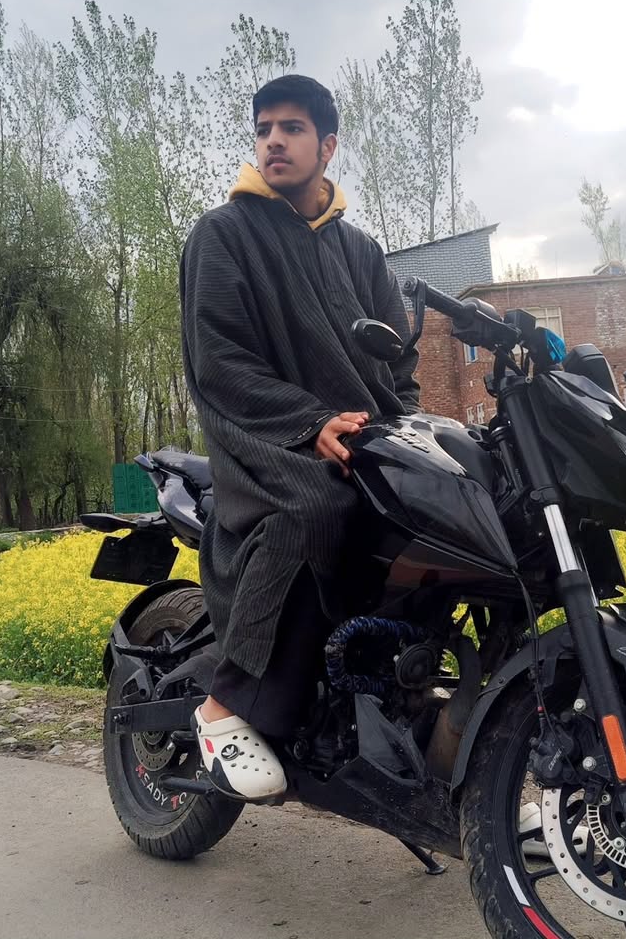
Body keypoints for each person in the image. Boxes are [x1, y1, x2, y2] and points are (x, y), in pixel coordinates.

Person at [179, 74, 421, 801]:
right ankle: (224, 705)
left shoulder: (361, 251)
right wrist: (309, 422)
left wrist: (407, 430)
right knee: (316, 508)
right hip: (265, 440)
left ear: (328, 145)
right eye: (264, 129)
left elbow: (398, 365)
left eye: (291, 128)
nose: (273, 141)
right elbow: (219, 361)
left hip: (363, 440)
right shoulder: (223, 234)